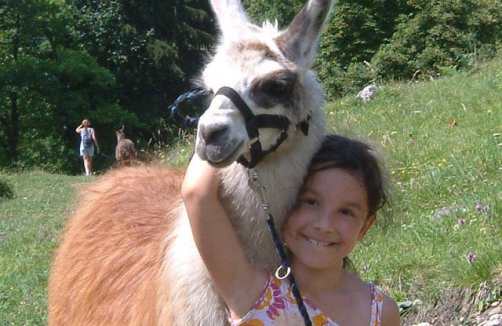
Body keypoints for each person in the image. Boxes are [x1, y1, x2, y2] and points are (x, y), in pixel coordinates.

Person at [182, 134, 401, 326]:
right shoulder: (251, 290)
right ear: (285, 203)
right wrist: (228, 119)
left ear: (365, 226)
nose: (324, 225)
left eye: (345, 212)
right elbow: (197, 193)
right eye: (310, 202)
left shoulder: (380, 312)